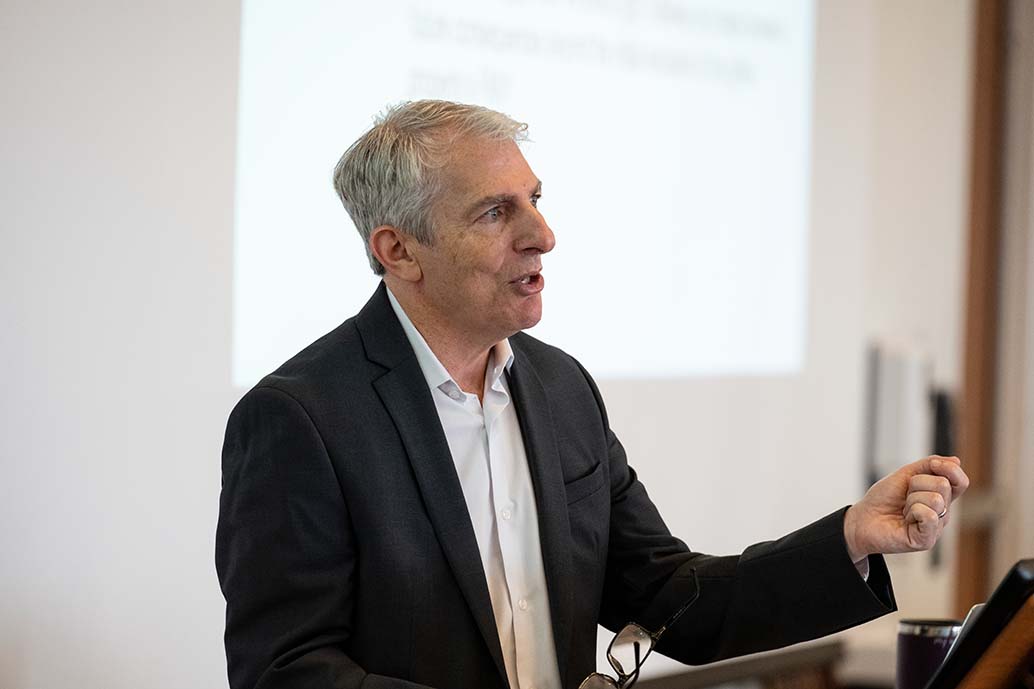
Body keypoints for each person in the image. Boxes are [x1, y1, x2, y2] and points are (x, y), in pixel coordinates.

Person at [216, 100, 970, 689]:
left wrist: (851, 536)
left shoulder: (560, 387)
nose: (542, 233)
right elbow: (285, 669)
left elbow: (670, 595)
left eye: (534, 198)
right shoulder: (299, 419)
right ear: (398, 249)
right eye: (494, 211)